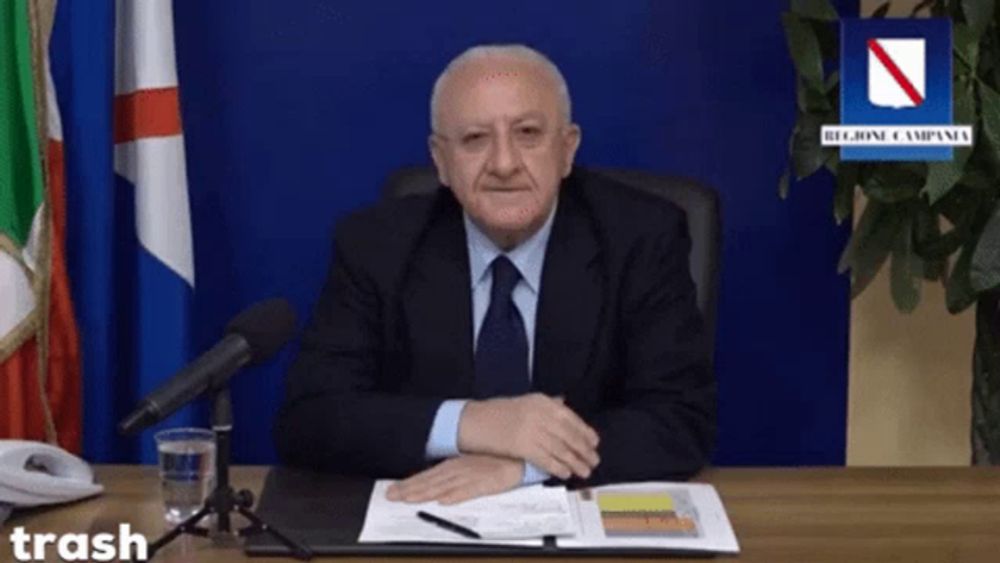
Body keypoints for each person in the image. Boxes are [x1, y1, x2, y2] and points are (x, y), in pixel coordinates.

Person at [274, 44, 715, 505]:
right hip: (426, 530)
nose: (504, 164)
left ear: (567, 150)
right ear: (440, 161)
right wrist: (472, 423)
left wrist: (526, 465)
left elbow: (680, 418)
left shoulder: (641, 237)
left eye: (527, 133)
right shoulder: (376, 245)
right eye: (475, 139)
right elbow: (310, 419)